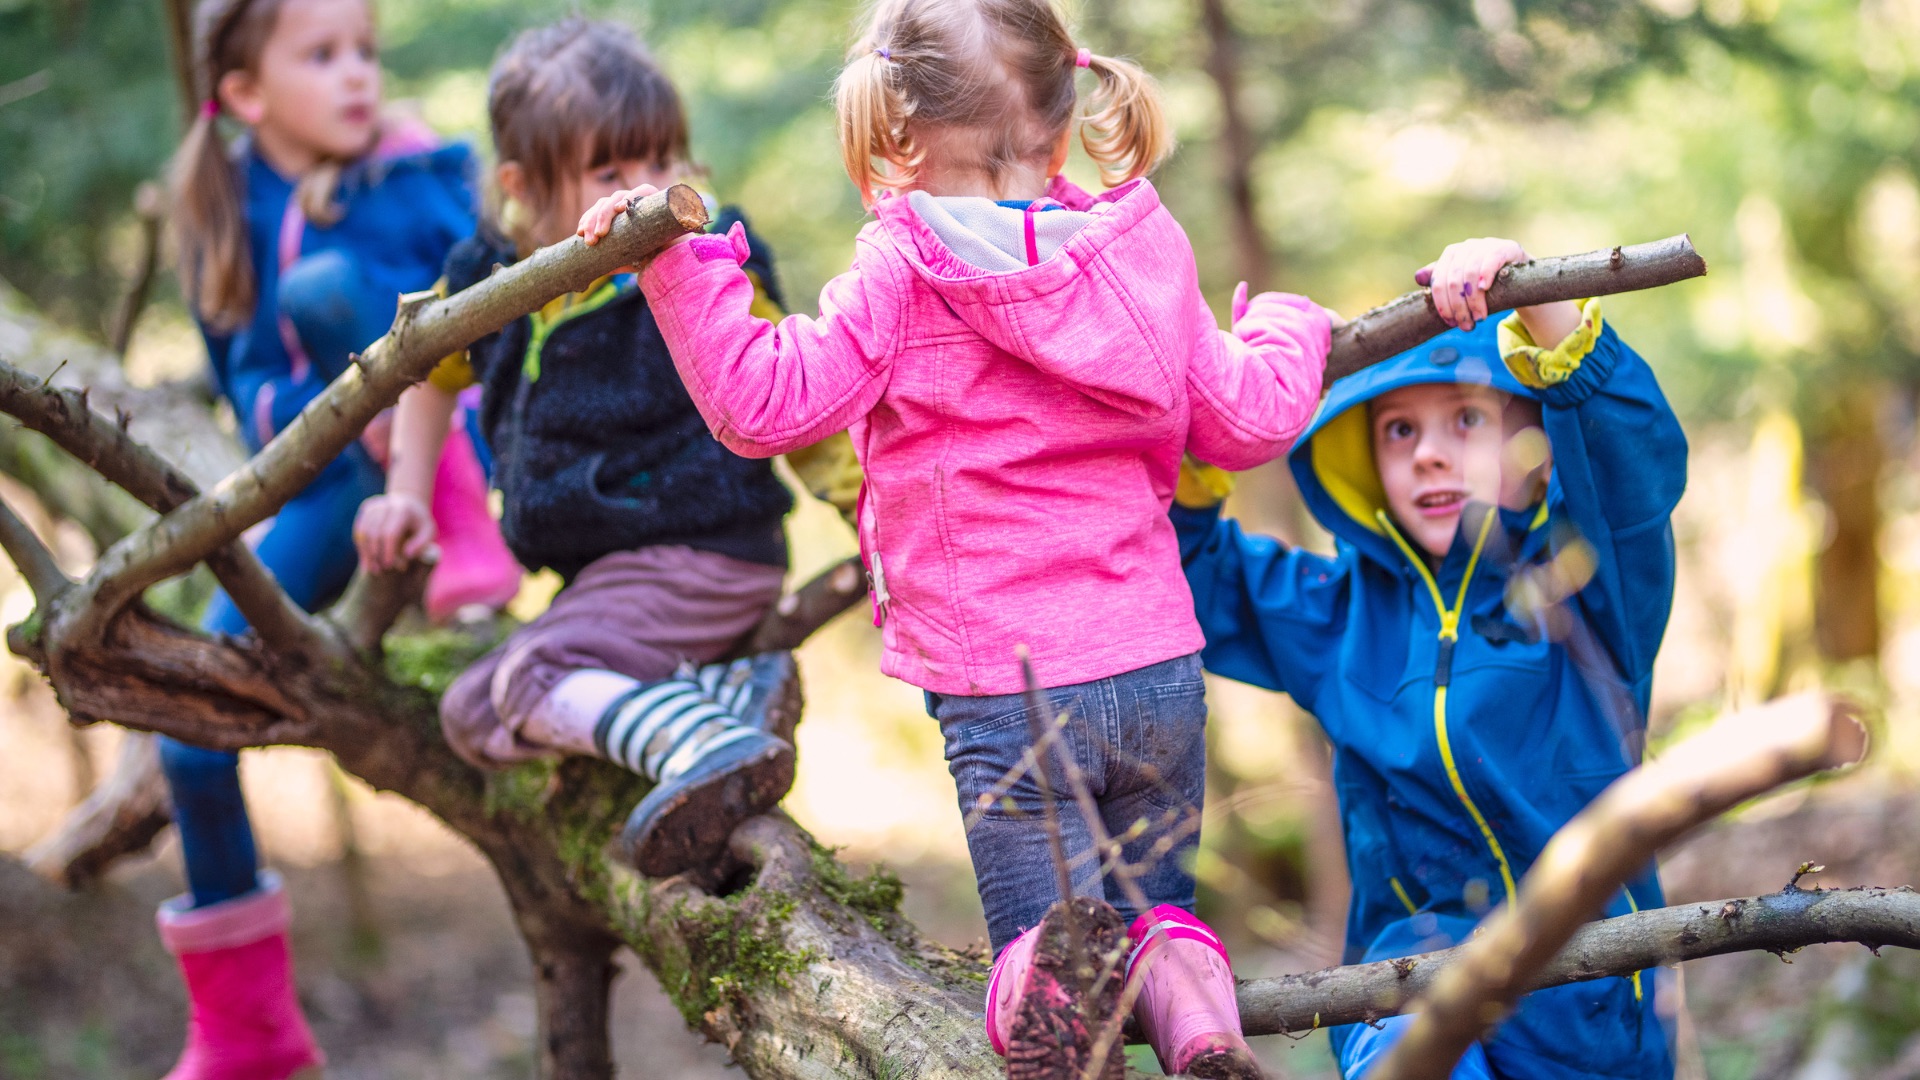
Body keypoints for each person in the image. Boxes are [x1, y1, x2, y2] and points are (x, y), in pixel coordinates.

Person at [575, 1, 1331, 1073]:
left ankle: (1042, 999)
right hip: (1158, 665)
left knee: (1045, 953)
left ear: (897, 137)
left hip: (1008, 687)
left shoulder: (902, 267)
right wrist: (1289, 326)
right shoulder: (1140, 253)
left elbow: (766, 403)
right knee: (1157, 912)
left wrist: (675, 264)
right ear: (1064, 124)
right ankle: (1195, 1010)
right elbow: (1247, 417)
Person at [1173, 237, 1686, 1079]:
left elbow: (1632, 462)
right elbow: (1193, 572)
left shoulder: (1587, 585)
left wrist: (1531, 289)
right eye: (1399, 430)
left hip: (1588, 1009)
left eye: (1467, 419)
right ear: (1365, 460)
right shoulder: (1343, 614)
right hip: (1412, 995)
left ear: (1537, 441)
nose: (1430, 454)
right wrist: (1216, 415)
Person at [353, 18, 853, 881]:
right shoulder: (491, 275)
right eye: (610, 173)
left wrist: (872, 505)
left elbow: (792, 393)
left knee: (529, 681)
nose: (644, 193)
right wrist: (404, 490)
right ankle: (719, 701)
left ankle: (709, 743)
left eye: (661, 163)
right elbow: (428, 371)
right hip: (613, 580)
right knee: (471, 714)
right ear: (523, 189)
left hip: (703, 552)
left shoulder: (707, 260)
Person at [156, 0, 519, 1073]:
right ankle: (247, 1030)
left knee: (332, 289)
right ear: (247, 94)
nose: (358, 75)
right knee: (189, 735)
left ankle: (450, 524)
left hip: (451, 457)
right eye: (322, 56)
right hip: (321, 488)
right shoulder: (220, 206)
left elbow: (483, 319)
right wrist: (318, 411)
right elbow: (247, 392)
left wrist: (420, 178)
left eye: (365, 51)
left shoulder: (411, 176)